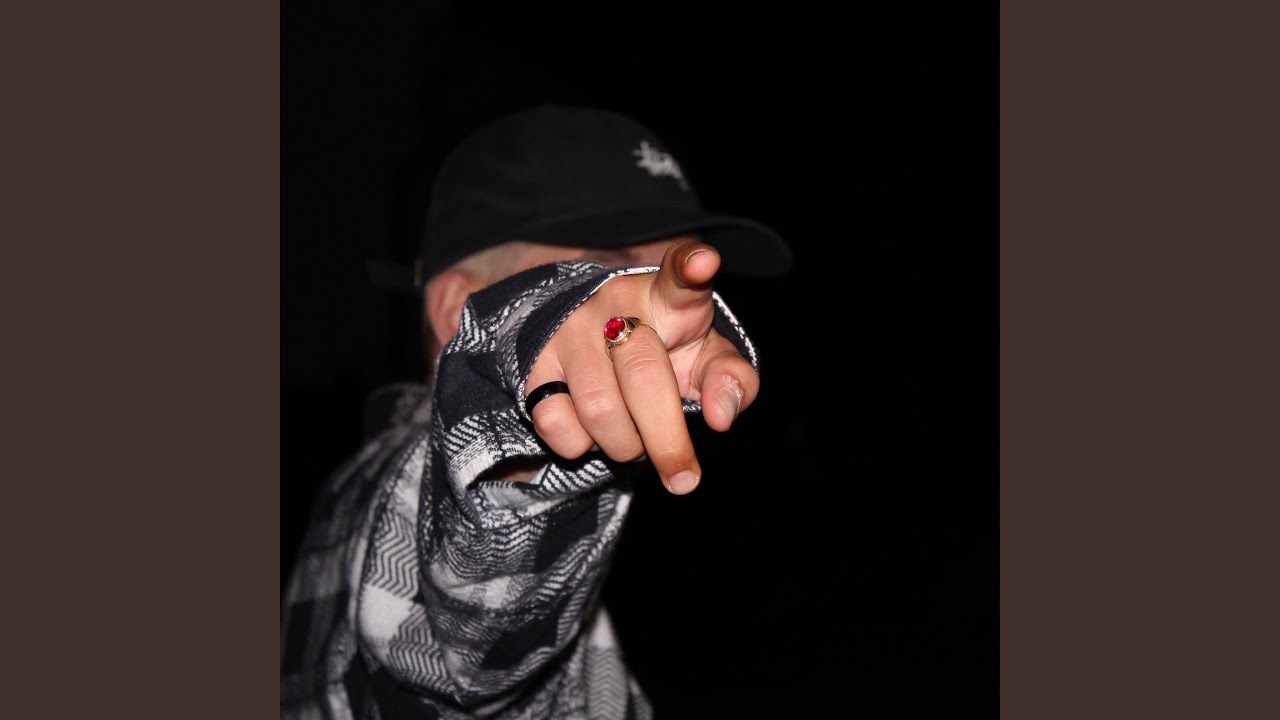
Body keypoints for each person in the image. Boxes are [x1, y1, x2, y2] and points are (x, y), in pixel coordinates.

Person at [281, 104, 793, 719]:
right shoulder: (394, 492)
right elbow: (464, 643)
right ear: (456, 312)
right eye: (605, 269)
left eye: (673, 278)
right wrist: (529, 368)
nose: (659, 311)